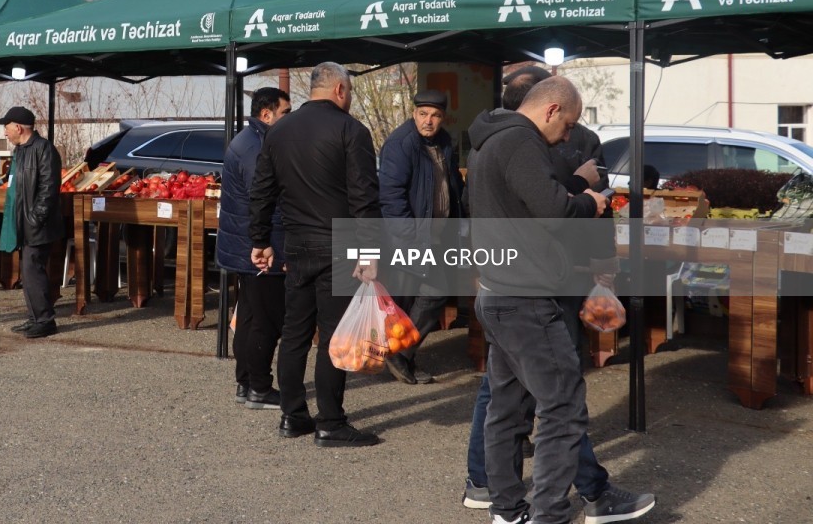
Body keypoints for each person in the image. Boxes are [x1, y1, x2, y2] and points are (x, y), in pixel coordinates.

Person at [463, 67, 654, 524]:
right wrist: (591, 201)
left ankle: (508, 510)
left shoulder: (490, 138)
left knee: (507, 408)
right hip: (527, 298)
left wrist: (572, 187)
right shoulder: (521, 140)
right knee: (563, 409)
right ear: (550, 109)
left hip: (497, 291)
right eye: (566, 125)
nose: (565, 136)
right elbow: (551, 210)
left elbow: (528, 201)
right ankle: (549, 513)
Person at [249, 61, 381, 448]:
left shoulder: (278, 130)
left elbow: (262, 190)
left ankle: (292, 416)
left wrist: (259, 240)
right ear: (340, 90)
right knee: (333, 336)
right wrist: (369, 251)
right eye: (351, 92)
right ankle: (331, 423)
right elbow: (364, 199)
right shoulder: (351, 131)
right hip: (339, 245)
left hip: (297, 243)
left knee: (295, 331)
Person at [378, 88, 465, 385]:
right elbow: (391, 195)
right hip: (411, 238)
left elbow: (451, 184)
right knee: (429, 292)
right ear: (414, 114)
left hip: (437, 236)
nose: (429, 121)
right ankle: (399, 354)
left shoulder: (443, 142)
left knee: (423, 295)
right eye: (423, 114)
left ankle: (402, 356)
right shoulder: (401, 144)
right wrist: (407, 237)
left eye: (436, 115)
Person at [216, 87, 292, 409]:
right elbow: (264, 200)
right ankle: (259, 387)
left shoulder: (251, 140)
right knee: (266, 319)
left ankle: (246, 383)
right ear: (267, 114)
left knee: (248, 315)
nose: (290, 119)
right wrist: (278, 248)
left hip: (247, 246)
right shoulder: (256, 147)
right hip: (259, 249)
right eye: (285, 113)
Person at [0, 106, 64, 339]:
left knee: (32, 270)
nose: (5, 133)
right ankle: (35, 317)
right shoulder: (20, 151)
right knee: (28, 271)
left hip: (37, 224)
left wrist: (36, 218)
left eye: (6, 128)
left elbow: (49, 188)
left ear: (17, 127)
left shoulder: (43, 149)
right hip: (24, 222)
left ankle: (45, 320)